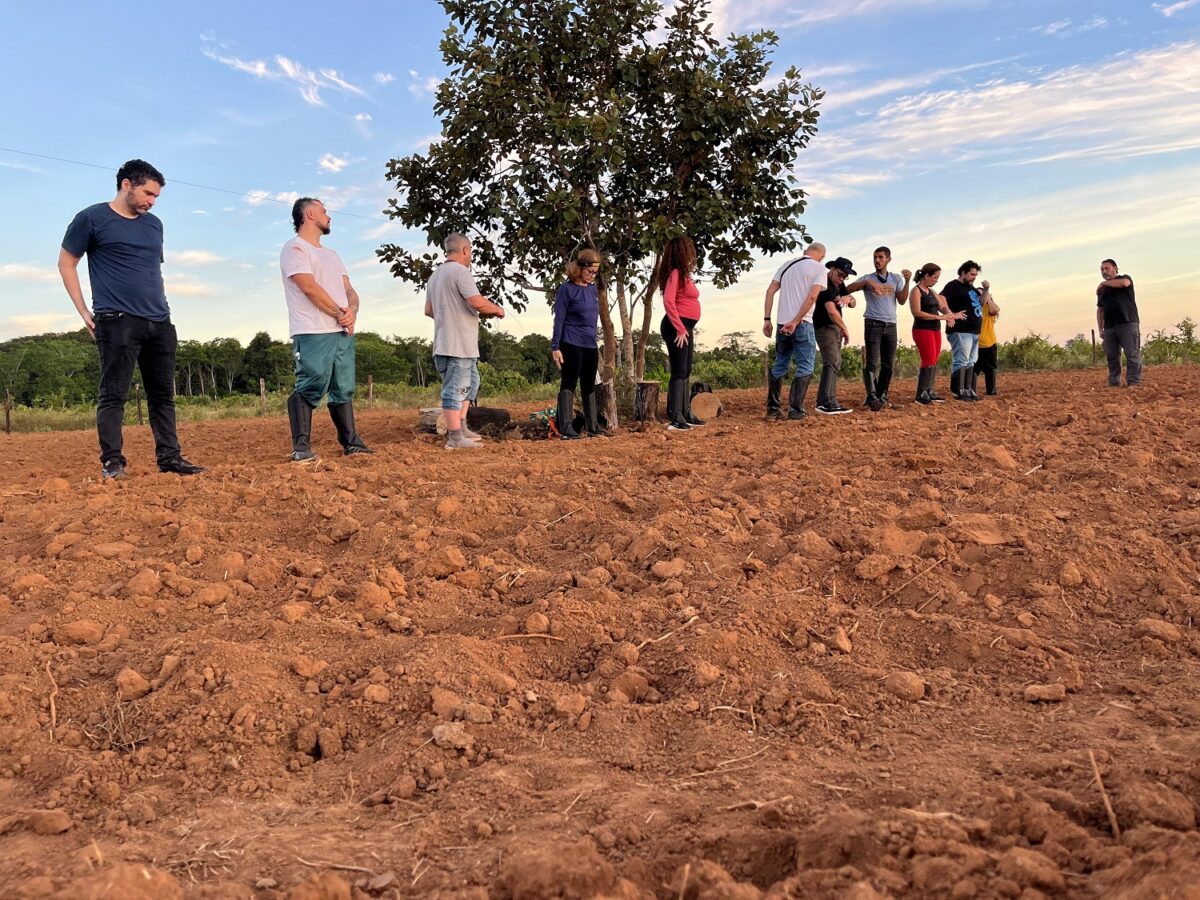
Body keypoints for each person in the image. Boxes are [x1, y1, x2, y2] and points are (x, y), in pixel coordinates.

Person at [58, 159, 203, 481]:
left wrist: (162, 311)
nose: (152, 201)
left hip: (160, 321)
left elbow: (150, 270)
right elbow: (66, 263)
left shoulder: (154, 225)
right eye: (148, 193)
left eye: (156, 197)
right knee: (114, 394)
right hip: (117, 320)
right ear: (127, 184)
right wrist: (83, 311)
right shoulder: (91, 218)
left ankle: (170, 458)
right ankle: (113, 463)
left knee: (163, 395)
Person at [281, 198, 371, 462]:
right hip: (312, 330)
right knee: (312, 382)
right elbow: (309, 288)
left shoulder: (332, 255)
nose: (328, 215)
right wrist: (339, 314)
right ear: (309, 214)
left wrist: (352, 310)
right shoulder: (295, 248)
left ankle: (351, 442)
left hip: (342, 331)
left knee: (343, 387)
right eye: (323, 211)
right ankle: (301, 447)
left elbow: (349, 290)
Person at [425, 233, 506, 448]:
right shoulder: (461, 272)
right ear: (465, 250)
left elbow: (428, 310)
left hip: (452, 343)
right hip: (456, 344)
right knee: (455, 390)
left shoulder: (434, 277)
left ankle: (461, 427)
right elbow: (477, 302)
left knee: (472, 383)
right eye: (470, 251)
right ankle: (454, 438)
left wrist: (449, 314)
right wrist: (497, 309)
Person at [763, 242, 827, 420]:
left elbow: (770, 291)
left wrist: (767, 319)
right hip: (802, 324)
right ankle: (796, 409)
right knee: (805, 365)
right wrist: (796, 321)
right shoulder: (819, 269)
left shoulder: (786, 266)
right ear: (822, 257)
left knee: (780, 363)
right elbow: (813, 296)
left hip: (781, 323)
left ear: (806, 251)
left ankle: (773, 409)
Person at [844, 247, 910, 410]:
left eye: (881, 257)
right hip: (873, 323)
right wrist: (866, 283)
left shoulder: (895, 278)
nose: (877, 260)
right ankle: (872, 397)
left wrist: (908, 281)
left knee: (888, 363)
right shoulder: (868, 278)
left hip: (891, 324)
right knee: (872, 361)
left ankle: (882, 396)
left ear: (888, 259)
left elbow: (901, 300)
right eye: (875, 257)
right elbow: (846, 289)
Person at [551, 249, 605, 439]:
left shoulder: (591, 288)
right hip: (570, 342)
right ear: (580, 267)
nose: (592, 275)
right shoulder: (567, 289)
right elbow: (559, 319)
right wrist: (555, 347)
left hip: (590, 343)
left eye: (595, 272)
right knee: (569, 383)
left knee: (589, 385)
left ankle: (592, 426)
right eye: (590, 271)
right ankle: (565, 426)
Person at [659, 236, 704, 431]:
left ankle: (685, 412)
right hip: (676, 326)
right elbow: (669, 301)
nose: (692, 254)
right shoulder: (675, 273)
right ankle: (675, 417)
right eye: (689, 250)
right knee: (678, 370)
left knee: (686, 370)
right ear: (681, 252)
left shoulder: (685, 275)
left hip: (686, 327)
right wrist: (679, 327)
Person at [909, 264, 965, 404]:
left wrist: (950, 315)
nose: (936, 280)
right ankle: (921, 394)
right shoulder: (915, 291)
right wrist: (939, 317)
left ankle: (929, 390)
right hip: (922, 329)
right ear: (926, 276)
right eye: (935, 277)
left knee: (933, 359)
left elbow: (943, 306)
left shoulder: (932, 292)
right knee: (927, 359)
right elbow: (917, 312)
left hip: (935, 330)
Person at [942, 260, 991, 402]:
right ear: (963, 272)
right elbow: (941, 299)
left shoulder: (971, 288)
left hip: (974, 330)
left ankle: (969, 389)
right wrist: (950, 314)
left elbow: (981, 303)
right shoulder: (953, 286)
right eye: (971, 274)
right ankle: (959, 391)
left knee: (971, 361)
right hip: (961, 329)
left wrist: (986, 290)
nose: (974, 277)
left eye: (975, 275)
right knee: (961, 360)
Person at [814, 257, 857, 415]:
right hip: (825, 326)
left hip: (834, 327)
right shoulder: (824, 284)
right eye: (840, 274)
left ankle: (830, 400)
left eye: (845, 277)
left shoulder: (838, 284)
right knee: (832, 360)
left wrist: (848, 298)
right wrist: (844, 328)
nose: (841, 278)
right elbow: (831, 311)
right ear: (831, 268)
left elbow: (853, 303)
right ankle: (824, 402)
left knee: (836, 361)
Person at [1096, 259, 1141, 387]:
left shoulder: (1124, 279)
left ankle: (1134, 383)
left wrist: (1103, 283)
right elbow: (1100, 310)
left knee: (1132, 354)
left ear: (1115, 268)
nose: (1104, 271)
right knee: (1112, 356)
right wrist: (1100, 329)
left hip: (1128, 323)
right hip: (1110, 326)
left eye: (1107, 268)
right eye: (1102, 269)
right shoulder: (1102, 290)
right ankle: (1114, 382)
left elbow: (1125, 283)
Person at [976, 290, 1001, 396]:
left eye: (985, 293)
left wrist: (989, 299)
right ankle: (969, 389)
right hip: (974, 344)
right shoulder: (974, 309)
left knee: (990, 368)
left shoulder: (989, 308)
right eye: (980, 294)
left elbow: (995, 310)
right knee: (973, 369)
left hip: (989, 343)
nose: (983, 295)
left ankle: (991, 390)